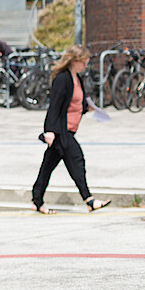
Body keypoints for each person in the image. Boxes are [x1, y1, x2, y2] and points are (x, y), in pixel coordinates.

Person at [32, 45, 110, 214]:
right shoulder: (62, 79)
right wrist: (50, 131)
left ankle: (37, 200)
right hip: (61, 131)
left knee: (48, 166)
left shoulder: (76, 78)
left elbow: (75, 103)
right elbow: (55, 106)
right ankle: (89, 200)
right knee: (77, 160)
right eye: (84, 62)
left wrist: (88, 108)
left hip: (68, 130)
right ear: (75, 61)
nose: (86, 66)